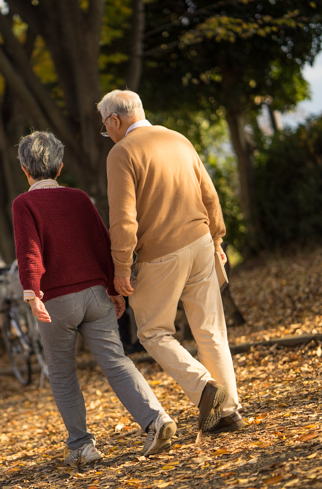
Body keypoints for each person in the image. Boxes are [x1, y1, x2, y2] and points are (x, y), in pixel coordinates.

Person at [13, 131, 177, 469]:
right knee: (116, 361)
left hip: (56, 301)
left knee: (61, 373)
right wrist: (114, 289)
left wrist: (32, 294)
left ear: (25, 170)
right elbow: (102, 242)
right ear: (59, 167)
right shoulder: (79, 198)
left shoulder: (24, 204)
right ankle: (156, 420)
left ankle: (82, 446)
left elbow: (29, 251)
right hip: (96, 295)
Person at [99, 89, 245, 435]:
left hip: (161, 252)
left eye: (106, 128)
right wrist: (218, 238)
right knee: (210, 329)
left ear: (115, 120)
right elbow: (209, 192)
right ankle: (229, 411)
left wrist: (121, 266)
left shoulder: (122, 153)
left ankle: (205, 388)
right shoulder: (178, 139)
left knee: (152, 331)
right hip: (200, 241)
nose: (107, 134)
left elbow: (123, 219)